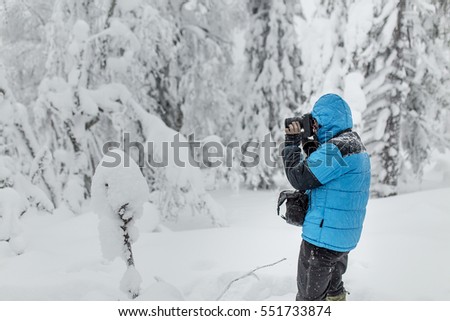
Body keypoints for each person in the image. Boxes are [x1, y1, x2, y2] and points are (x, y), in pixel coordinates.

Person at [282, 93, 371, 301]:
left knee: (309, 301)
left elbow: (300, 177)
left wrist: (291, 144)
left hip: (321, 243)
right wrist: (309, 143)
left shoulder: (337, 149)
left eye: (314, 123)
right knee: (333, 291)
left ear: (324, 121)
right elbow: (325, 171)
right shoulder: (353, 144)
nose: (312, 127)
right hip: (341, 238)